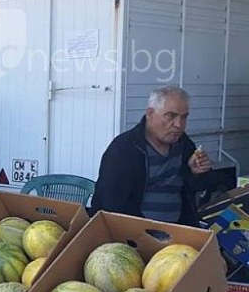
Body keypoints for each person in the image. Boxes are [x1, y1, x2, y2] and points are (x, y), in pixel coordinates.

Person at [90, 86, 215, 227]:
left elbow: (200, 188)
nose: (179, 125)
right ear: (150, 113)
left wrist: (197, 172)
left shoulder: (184, 145)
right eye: (171, 116)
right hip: (134, 234)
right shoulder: (125, 149)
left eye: (184, 117)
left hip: (179, 232)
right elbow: (111, 204)